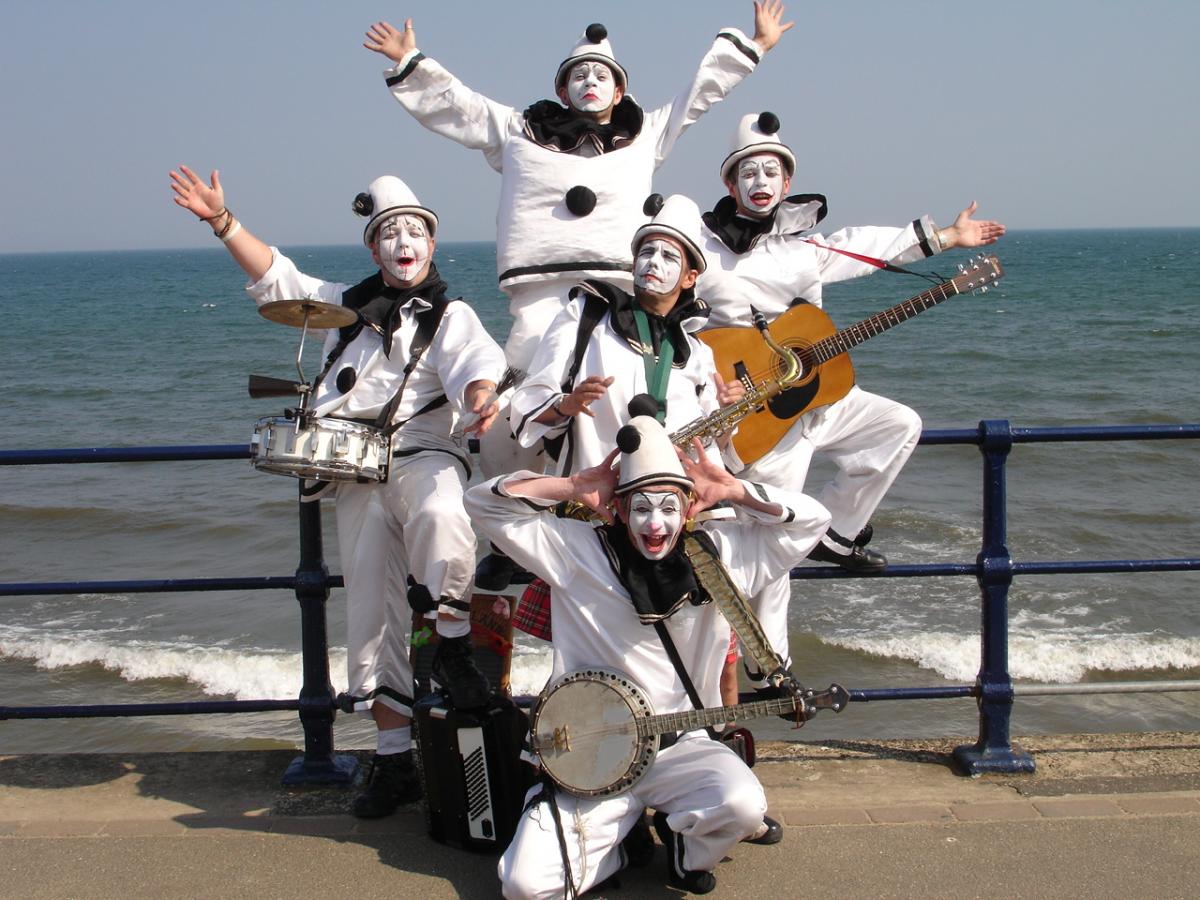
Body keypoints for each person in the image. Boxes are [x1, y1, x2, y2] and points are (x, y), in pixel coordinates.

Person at [364, 2, 793, 588]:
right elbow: (460, 106)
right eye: (579, 75)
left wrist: (753, 46)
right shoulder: (520, 132)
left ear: (620, 89)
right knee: (509, 413)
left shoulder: (643, 137)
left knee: (624, 413)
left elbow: (699, 94)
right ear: (562, 88)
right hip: (540, 302)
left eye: (602, 76)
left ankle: (640, 522)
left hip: (619, 302)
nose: (591, 83)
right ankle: (512, 536)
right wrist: (410, 62)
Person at [169, 165, 507, 819]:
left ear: (431, 246)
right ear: (373, 248)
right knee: (370, 618)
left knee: (443, 514)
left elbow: (476, 364)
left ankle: (456, 638)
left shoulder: (450, 315)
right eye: (390, 233)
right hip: (357, 476)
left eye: (415, 232)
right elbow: (278, 279)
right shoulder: (344, 311)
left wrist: (482, 397)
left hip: (423, 456)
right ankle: (391, 759)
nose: (403, 242)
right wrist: (221, 220)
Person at [695, 111, 1006, 678]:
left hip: (818, 397)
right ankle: (771, 668)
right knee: (772, 539)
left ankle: (835, 533)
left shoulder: (804, 246)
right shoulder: (704, 246)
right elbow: (678, 315)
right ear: (729, 183)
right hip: (761, 412)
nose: (761, 181)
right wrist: (711, 380)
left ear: (787, 184)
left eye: (772, 172)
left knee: (898, 425)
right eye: (748, 171)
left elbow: (865, 246)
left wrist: (946, 238)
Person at [464, 416, 829, 897]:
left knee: (742, 805)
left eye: (668, 507)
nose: (655, 524)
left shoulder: (725, 556)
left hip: (684, 749)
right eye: (641, 507)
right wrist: (570, 485)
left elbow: (814, 520)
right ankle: (610, 845)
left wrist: (736, 491)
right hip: (594, 754)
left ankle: (686, 850)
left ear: (689, 507)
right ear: (617, 509)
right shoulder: (574, 552)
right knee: (523, 887)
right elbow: (482, 503)